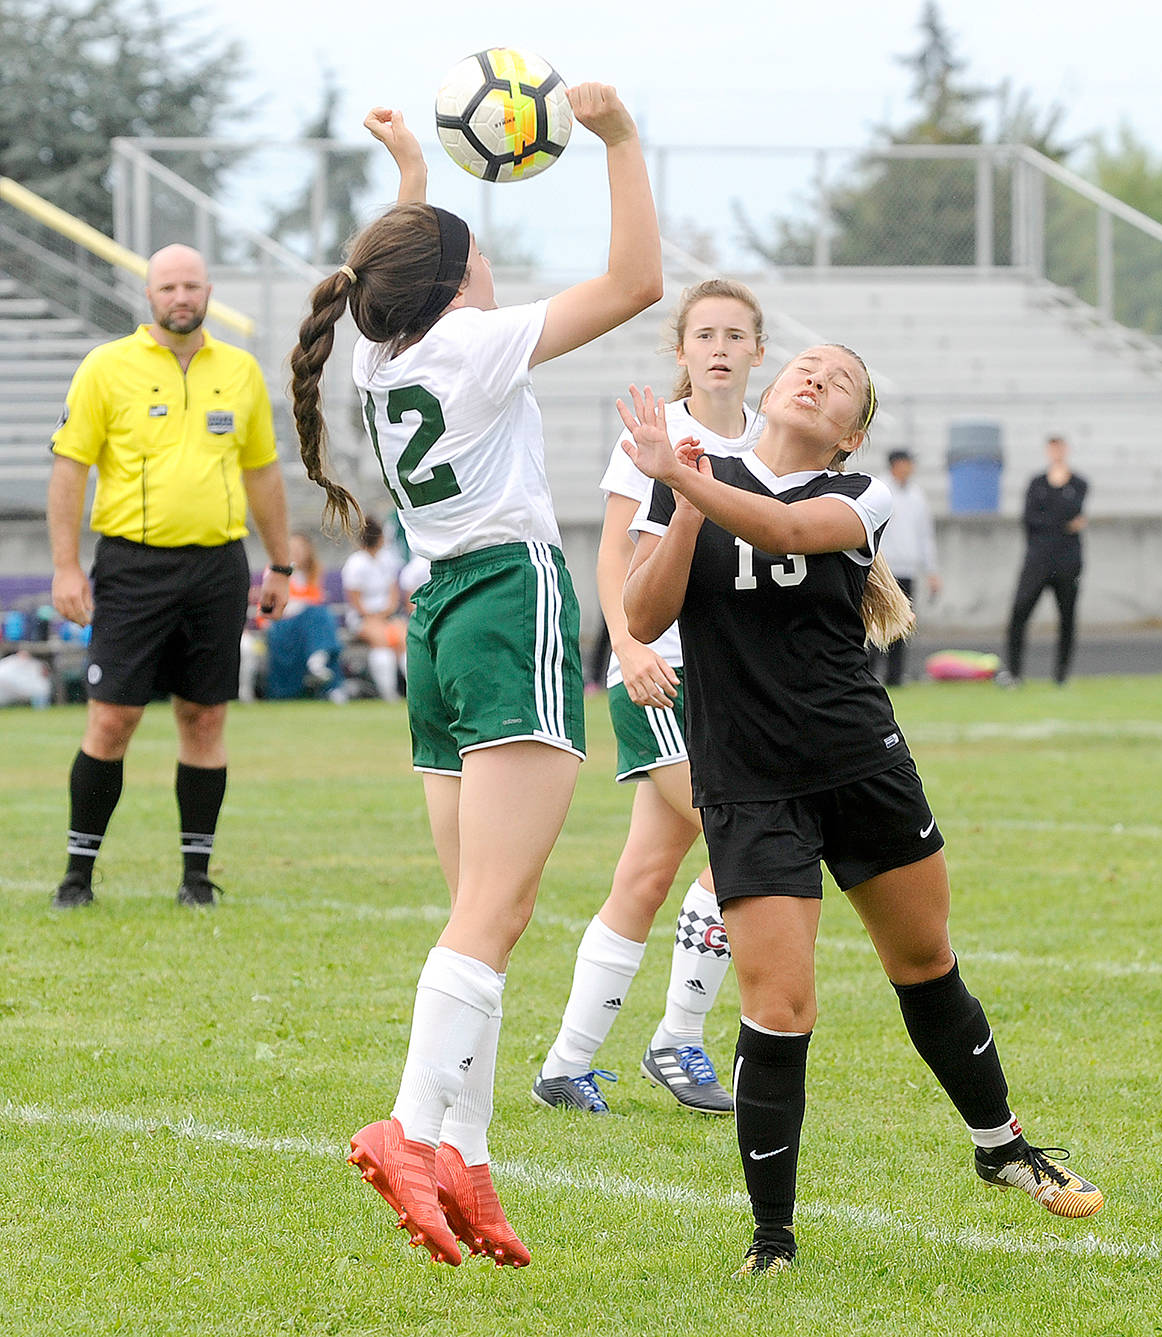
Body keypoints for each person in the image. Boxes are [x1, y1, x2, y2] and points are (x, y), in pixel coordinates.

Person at [618, 349, 1103, 1279]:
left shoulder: (858, 493)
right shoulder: (694, 473)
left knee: (925, 963)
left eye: (838, 381)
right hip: (748, 782)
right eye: (804, 367)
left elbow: (787, 529)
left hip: (859, 765)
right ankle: (772, 1238)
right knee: (779, 1006)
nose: (814, 378)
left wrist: (687, 476)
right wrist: (682, 498)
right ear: (769, 391)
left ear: (852, 432)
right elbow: (642, 616)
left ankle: (1000, 1144)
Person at [288, 89, 661, 1267]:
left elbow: (386, 271)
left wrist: (410, 170)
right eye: (478, 252)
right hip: (507, 599)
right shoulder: (470, 342)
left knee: (479, 912)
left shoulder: (378, 353)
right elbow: (637, 282)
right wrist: (619, 141)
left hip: (440, 616)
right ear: (453, 282)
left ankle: (467, 1153)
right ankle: (408, 1127)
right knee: (494, 907)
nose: (493, 266)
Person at [534, 279, 766, 1117]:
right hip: (659, 674)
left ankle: (565, 1064)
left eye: (735, 335)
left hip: (728, 683)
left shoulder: (769, 440)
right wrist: (627, 647)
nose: (719, 348)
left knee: (646, 873)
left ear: (758, 351)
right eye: (705, 334)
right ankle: (678, 1035)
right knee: (746, 835)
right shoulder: (656, 432)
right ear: (681, 350)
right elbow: (613, 555)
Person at [47, 243, 291, 909]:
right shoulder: (106, 367)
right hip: (132, 565)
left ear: (208, 291)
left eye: (191, 285)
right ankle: (77, 877)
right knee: (112, 718)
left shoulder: (240, 371)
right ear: (148, 295)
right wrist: (66, 566)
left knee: (205, 718)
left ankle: (196, 879)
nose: (181, 297)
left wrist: (281, 562)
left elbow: (262, 471)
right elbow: (70, 467)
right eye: (168, 287)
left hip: (218, 566)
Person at [1001, 435, 1088, 687]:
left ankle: (1061, 675)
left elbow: (1070, 511)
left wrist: (1053, 518)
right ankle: (1014, 673)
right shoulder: (1037, 483)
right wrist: (1063, 524)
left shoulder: (1079, 483)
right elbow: (1031, 519)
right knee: (1019, 612)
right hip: (1038, 561)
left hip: (1067, 562)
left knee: (1067, 618)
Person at [868, 448, 940, 687]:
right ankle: (869, 673)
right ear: (896, 464)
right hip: (885, 569)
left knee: (902, 622)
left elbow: (925, 535)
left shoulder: (917, 496)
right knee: (878, 623)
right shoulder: (879, 491)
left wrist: (931, 570)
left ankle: (895, 676)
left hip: (908, 569)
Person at [263, 533, 346, 701]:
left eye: (300, 549)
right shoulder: (275, 572)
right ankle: (318, 662)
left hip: (307, 625)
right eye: (292, 548)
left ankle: (319, 663)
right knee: (319, 616)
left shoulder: (312, 573)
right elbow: (272, 605)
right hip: (282, 622)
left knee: (319, 616)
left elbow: (316, 598)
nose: (296, 552)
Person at [341, 516, 406, 701]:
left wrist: (387, 612)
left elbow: (393, 592)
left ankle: (413, 690)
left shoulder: (387, 559)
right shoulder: (356, 563)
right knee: (382, 640)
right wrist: (373, 617)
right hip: (363, 618)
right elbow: (355, 599)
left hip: (388, 614)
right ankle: (388, 693)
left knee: (404, 639)